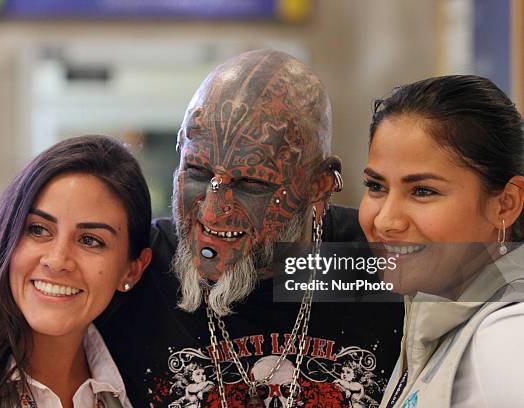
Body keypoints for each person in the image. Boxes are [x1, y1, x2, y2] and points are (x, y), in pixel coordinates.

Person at [97, 49, 404, 407]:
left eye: (251, 184)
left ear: (318, 185)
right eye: (197, 173)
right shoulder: (137, 265)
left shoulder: (378, 257)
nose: (213, 213)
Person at [0, 136, 152, 408]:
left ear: (132, 271)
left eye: (90, 240)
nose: (57, 260)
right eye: (38, 229)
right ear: (6, 236)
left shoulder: (133, 392)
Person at [357, 75, 524, 407]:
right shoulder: (437, 312)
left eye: (422, 191)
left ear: (505, 204)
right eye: (376, 186)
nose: (386, 221)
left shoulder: (506, 338)